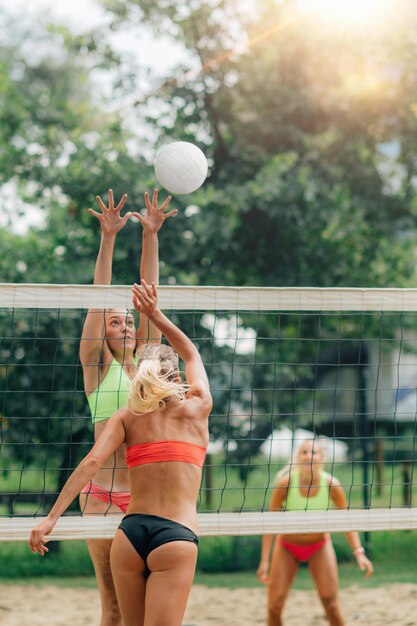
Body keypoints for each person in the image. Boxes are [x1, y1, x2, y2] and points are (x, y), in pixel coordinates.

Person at [30, 279, 213, 626]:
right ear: (174, 375)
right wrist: (155, 314)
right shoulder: (198, 407)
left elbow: (92, 461)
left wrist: (51, 517)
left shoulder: (128, 417)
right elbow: (192, 353)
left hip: (130, 536)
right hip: (173, 535)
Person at [79, 188, 176, 626]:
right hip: (100, 497)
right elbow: (101, 298)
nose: (125, 324)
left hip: (144, 500)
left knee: (142, 609)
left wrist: (150, 236)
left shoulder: (149, 366)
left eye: (129, 320)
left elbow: (149, 295)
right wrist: (109, 238)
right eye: (116, 321)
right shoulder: (96, 366)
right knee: (114, 610)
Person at [257, 438, 374, 626]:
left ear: (321, 458)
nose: (308, 456)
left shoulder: (331, 484)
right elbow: (270, 524)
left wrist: (358, 552)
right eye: (304, 452)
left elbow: (346, 521)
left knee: (331, 604)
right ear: (297, 457)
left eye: (313, 452)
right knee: (274, 605)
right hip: (287, 547)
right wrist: (264, 560)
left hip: (319, 546)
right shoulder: (285, 484)